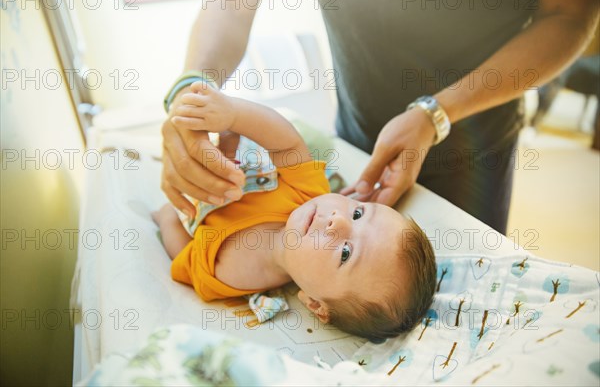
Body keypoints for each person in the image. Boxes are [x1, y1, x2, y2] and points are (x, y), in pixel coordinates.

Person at [160, 0, 599, 235]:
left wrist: (437, 114)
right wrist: (192, 92)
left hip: (471, 141)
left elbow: (571, 15)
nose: (333, 230)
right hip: (357, 129)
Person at [153, 81, 437, 339]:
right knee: (311, 144)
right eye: (358, 214)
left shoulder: (233, 276)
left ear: (315, 304)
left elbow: (185, 258)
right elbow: (284, 140)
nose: (337, 221)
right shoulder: (310, 194)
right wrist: (233, 115)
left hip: (201, 181)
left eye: (346, 253)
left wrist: (169, 218)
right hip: (243, 149)